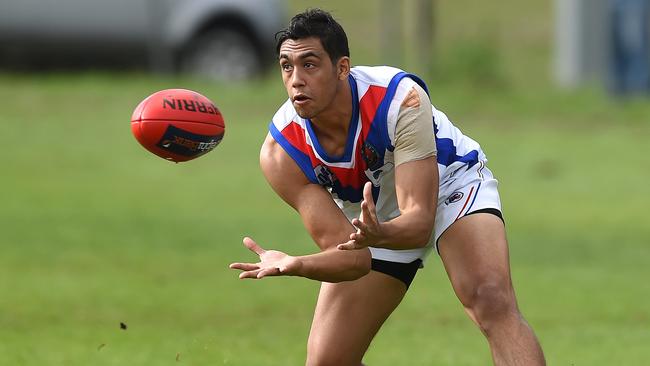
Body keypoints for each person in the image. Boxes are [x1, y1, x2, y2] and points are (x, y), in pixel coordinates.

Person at [230, 8, 546, 366]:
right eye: (287, 66)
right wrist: (295, 263)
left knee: (490, 299)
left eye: (310, 64)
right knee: (326, 361)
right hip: (371, 221)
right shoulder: (281, 153)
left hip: (449, 186)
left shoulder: (399, 100)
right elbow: (352, 260)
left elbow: (419, 222)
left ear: (342, 68)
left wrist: (376, 233)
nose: (296, 80)